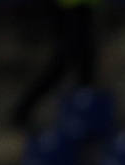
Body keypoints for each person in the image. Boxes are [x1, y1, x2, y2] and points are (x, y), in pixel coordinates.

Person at [10, 0, 99, 130]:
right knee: (66, 62)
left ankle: (85, 116)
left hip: (81, 6)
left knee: (85, 63)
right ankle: (22, 110)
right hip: (70, 7)